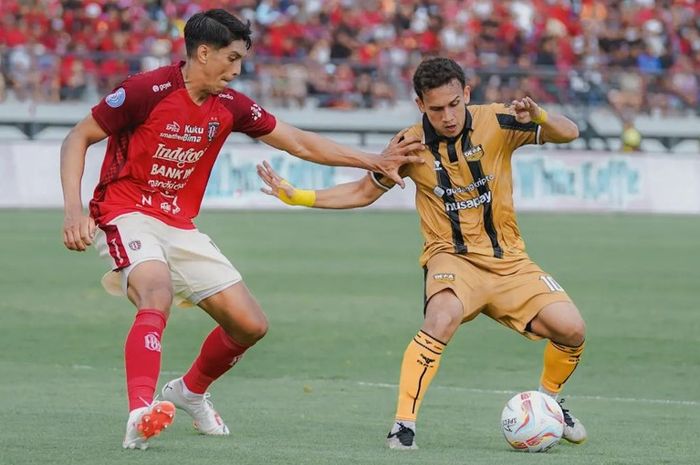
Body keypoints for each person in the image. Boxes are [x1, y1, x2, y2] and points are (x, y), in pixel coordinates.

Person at [59, 9, 422, 451]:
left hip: (178, 222)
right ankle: (139, 412)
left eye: (241, 61)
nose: (237, 69)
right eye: (231, 59)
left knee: (250, 325)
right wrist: (74, 211)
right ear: (203, 52)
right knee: (155, 293)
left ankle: (189, 392)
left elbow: (300, 141)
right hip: (124, 210)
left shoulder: (230, 106)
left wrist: (373, 160)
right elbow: (77, 137)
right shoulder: (145, 90)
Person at [257, 57, 587, 450]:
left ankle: (549, 403)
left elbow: (570, 132)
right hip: (451, 258)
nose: (447, 116)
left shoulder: (500, 120)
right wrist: (300, 197)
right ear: (420, 105)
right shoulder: (409, 144)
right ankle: (403, 426)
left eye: (453, 104)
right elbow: (362, 192)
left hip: (509, 260)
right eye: (436, 108)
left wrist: (541, 115)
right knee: (441, 318)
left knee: (572, 329)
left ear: (466, 93)